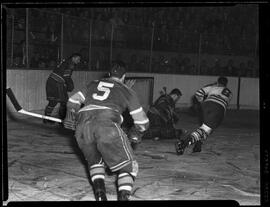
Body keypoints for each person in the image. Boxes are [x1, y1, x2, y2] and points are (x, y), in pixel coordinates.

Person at [63, 61, 149, 201]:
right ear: (124, 77)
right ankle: (123, 198)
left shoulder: (93, 84)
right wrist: (138, 131)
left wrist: (70, 115)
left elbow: (73, 100)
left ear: (108, 74)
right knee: (130, 166)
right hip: (107, 124)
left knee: (95, 162)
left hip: (83, 127)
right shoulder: (127, 90)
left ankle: (100, 195)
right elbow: (142, 122)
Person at [175, 76, 232, 155]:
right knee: (206, 129)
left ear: (218, 82)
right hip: (218, 109)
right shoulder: (229, 92)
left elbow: (198, 93)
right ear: (226, 84)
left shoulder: (212, 87)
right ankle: (183, 143)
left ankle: (198, 145)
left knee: (204, 128)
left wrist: (201, 102)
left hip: (205, 106)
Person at [43, 53, 81, 123]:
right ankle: (62, 119)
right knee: (62, 101)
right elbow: (66, 76)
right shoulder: (70, 64)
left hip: (52, 81)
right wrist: (70, 86)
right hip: (56, 83)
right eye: (78, 59)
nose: (79, 61)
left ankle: (47, 118)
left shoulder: (65, 62)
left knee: (54, 101)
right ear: (73, 58)